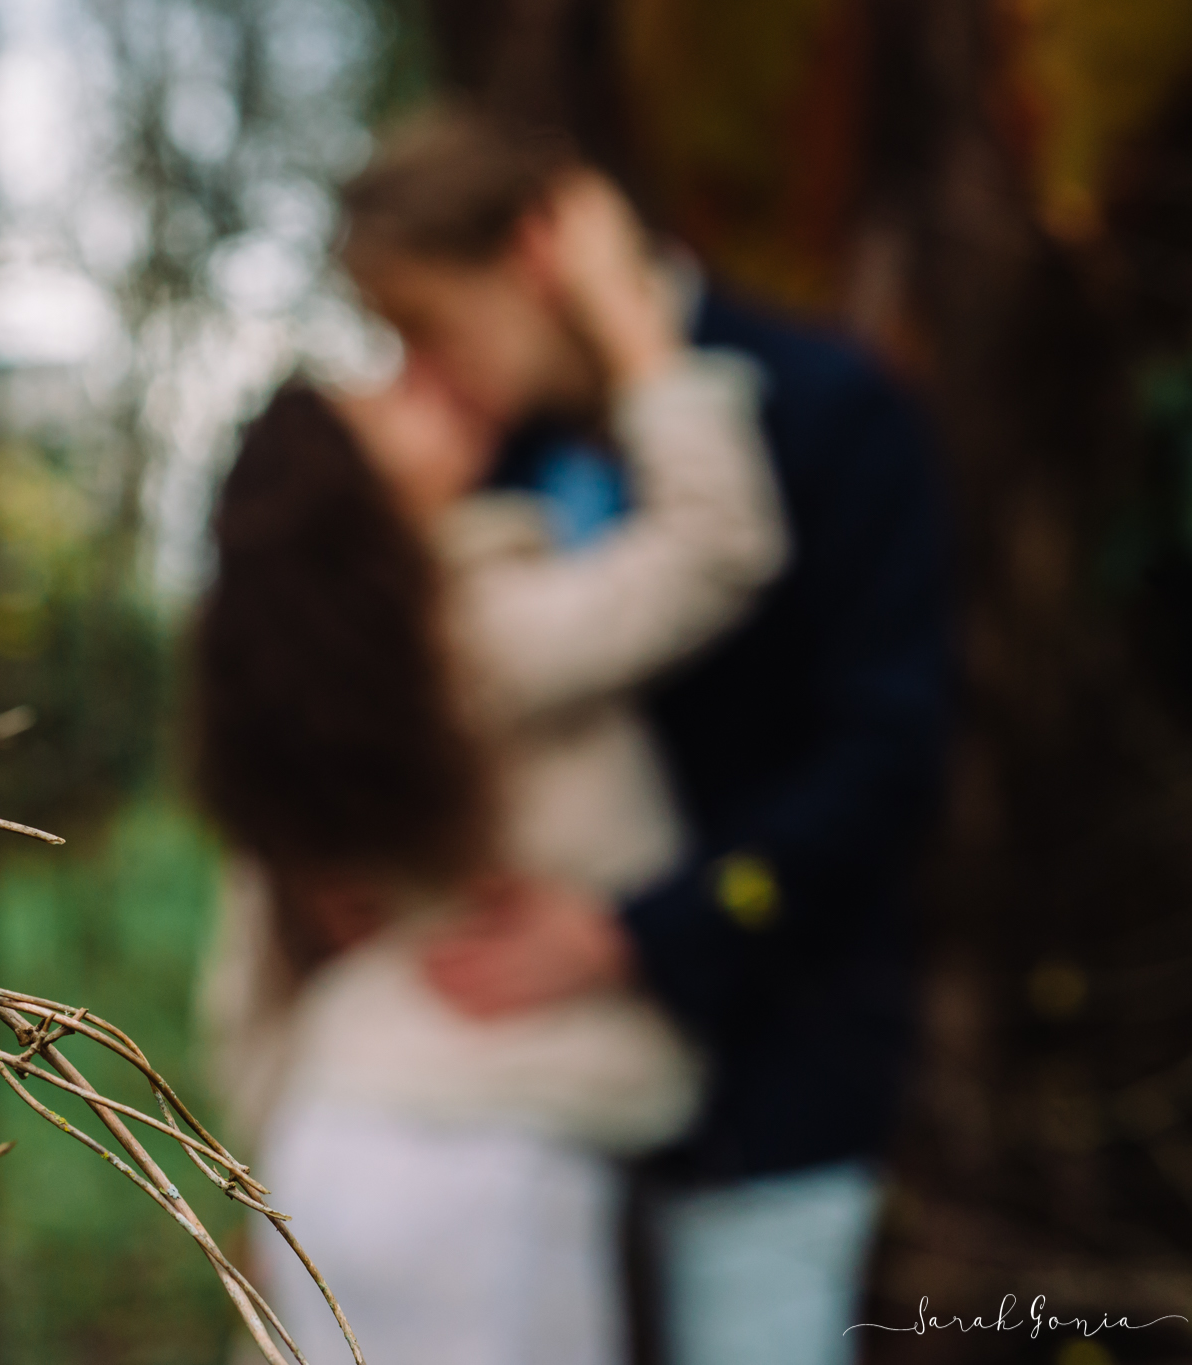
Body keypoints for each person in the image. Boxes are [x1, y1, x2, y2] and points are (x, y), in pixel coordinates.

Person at [335, 108, 950, 1365]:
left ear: (535, 258)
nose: (426, 377)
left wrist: (641, 934)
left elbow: (886, 753)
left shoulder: (827, 409)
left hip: (772, 1077)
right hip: (524, 1106)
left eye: (427, 328)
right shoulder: (483, 460)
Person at [192, 170, 788, 1365]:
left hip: (334, 1141)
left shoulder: (315, 696)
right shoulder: (465, 631)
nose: (430, 384)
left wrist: (255, 1187)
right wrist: (633, 327)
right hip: (477, 1163)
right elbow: (718, 546)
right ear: (360, 515)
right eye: (391, 405)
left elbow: (243, 968)